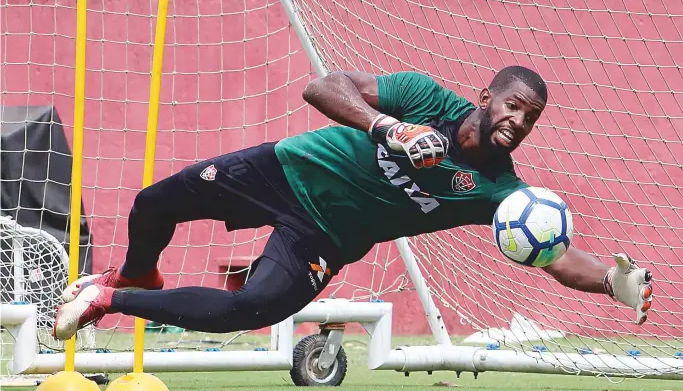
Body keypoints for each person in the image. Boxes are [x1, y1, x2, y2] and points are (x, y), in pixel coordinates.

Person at [53, 66, 654, 340]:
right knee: (153, 203)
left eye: (531, 117)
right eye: (513, 105)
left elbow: (552, 254)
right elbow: (322, 87)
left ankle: (110, 296)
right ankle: (137, 272)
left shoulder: (502, 193)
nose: (518, 121)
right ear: (486, 97)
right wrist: (385, 127)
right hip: (289, 169)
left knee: (255, 309)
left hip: (325, 239)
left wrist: (610, 282)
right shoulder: (421, 97)